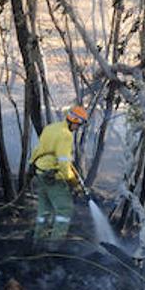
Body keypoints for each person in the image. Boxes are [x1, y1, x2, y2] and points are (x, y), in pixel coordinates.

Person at [29, 104, 88, 242]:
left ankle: (39, 240)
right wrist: (73, 182)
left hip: (40, 172)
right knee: (65, 209)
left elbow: (38, 149)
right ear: (74, 121)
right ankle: (55, 245)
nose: (77, 129)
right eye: (78, 125)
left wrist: (31, 165)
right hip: (52, 177)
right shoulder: (66, 136)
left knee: (44, 210)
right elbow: (63, 164)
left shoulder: (51, 127)